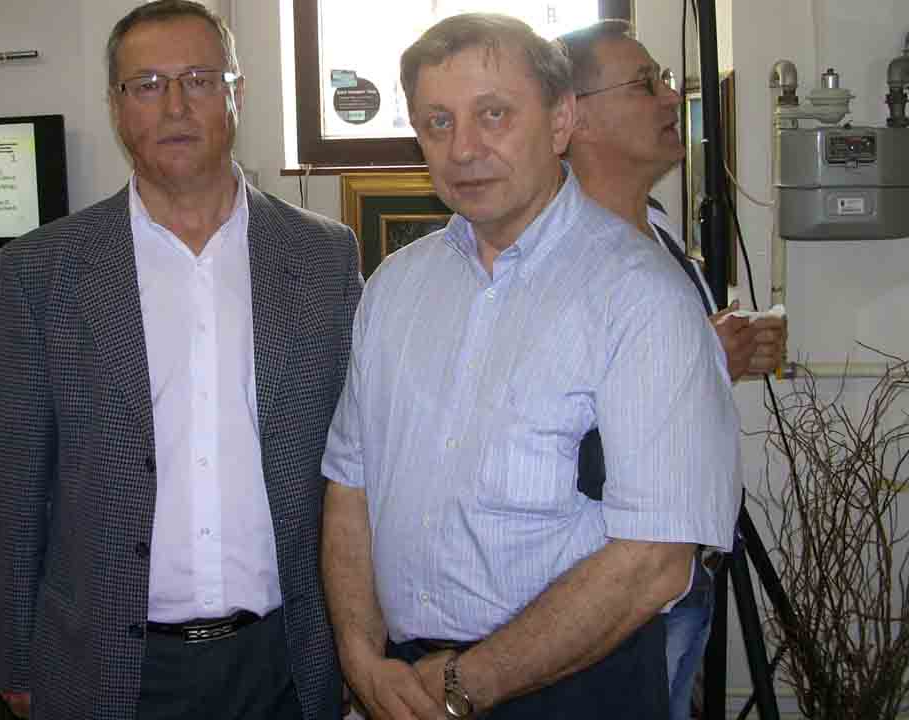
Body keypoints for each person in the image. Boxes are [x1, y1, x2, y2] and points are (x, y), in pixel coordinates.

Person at [320, 13, 741, 720]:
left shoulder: (639, 296)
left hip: (574, 688)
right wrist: (361, 658)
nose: (464, 149)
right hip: (404, 682)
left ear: (560, 120)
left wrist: (469, 682)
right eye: (438, 122)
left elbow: (656, 558)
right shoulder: (394, 288)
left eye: (493, 114)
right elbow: (350, 487)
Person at [0, 2, 360, 719]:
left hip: (285, 654)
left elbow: (357, 468)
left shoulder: (323, 257)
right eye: (148, 84)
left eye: (199, 79)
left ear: (236, 94)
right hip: (107, 661)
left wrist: (359, 641)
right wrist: (17, 657)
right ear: (116, 106)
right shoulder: (45, 269)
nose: (176, 106)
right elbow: (17, 482)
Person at [560, 20, 786, 719]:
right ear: (575, 117)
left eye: (662, 77)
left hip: (686, 575)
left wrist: (728, 354)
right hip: (613, 588)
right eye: (644, 84)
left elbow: (671, 382)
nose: (669, 97)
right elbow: (558, 430)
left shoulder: (656, 228)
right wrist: (704, 361)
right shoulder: (556, 258)